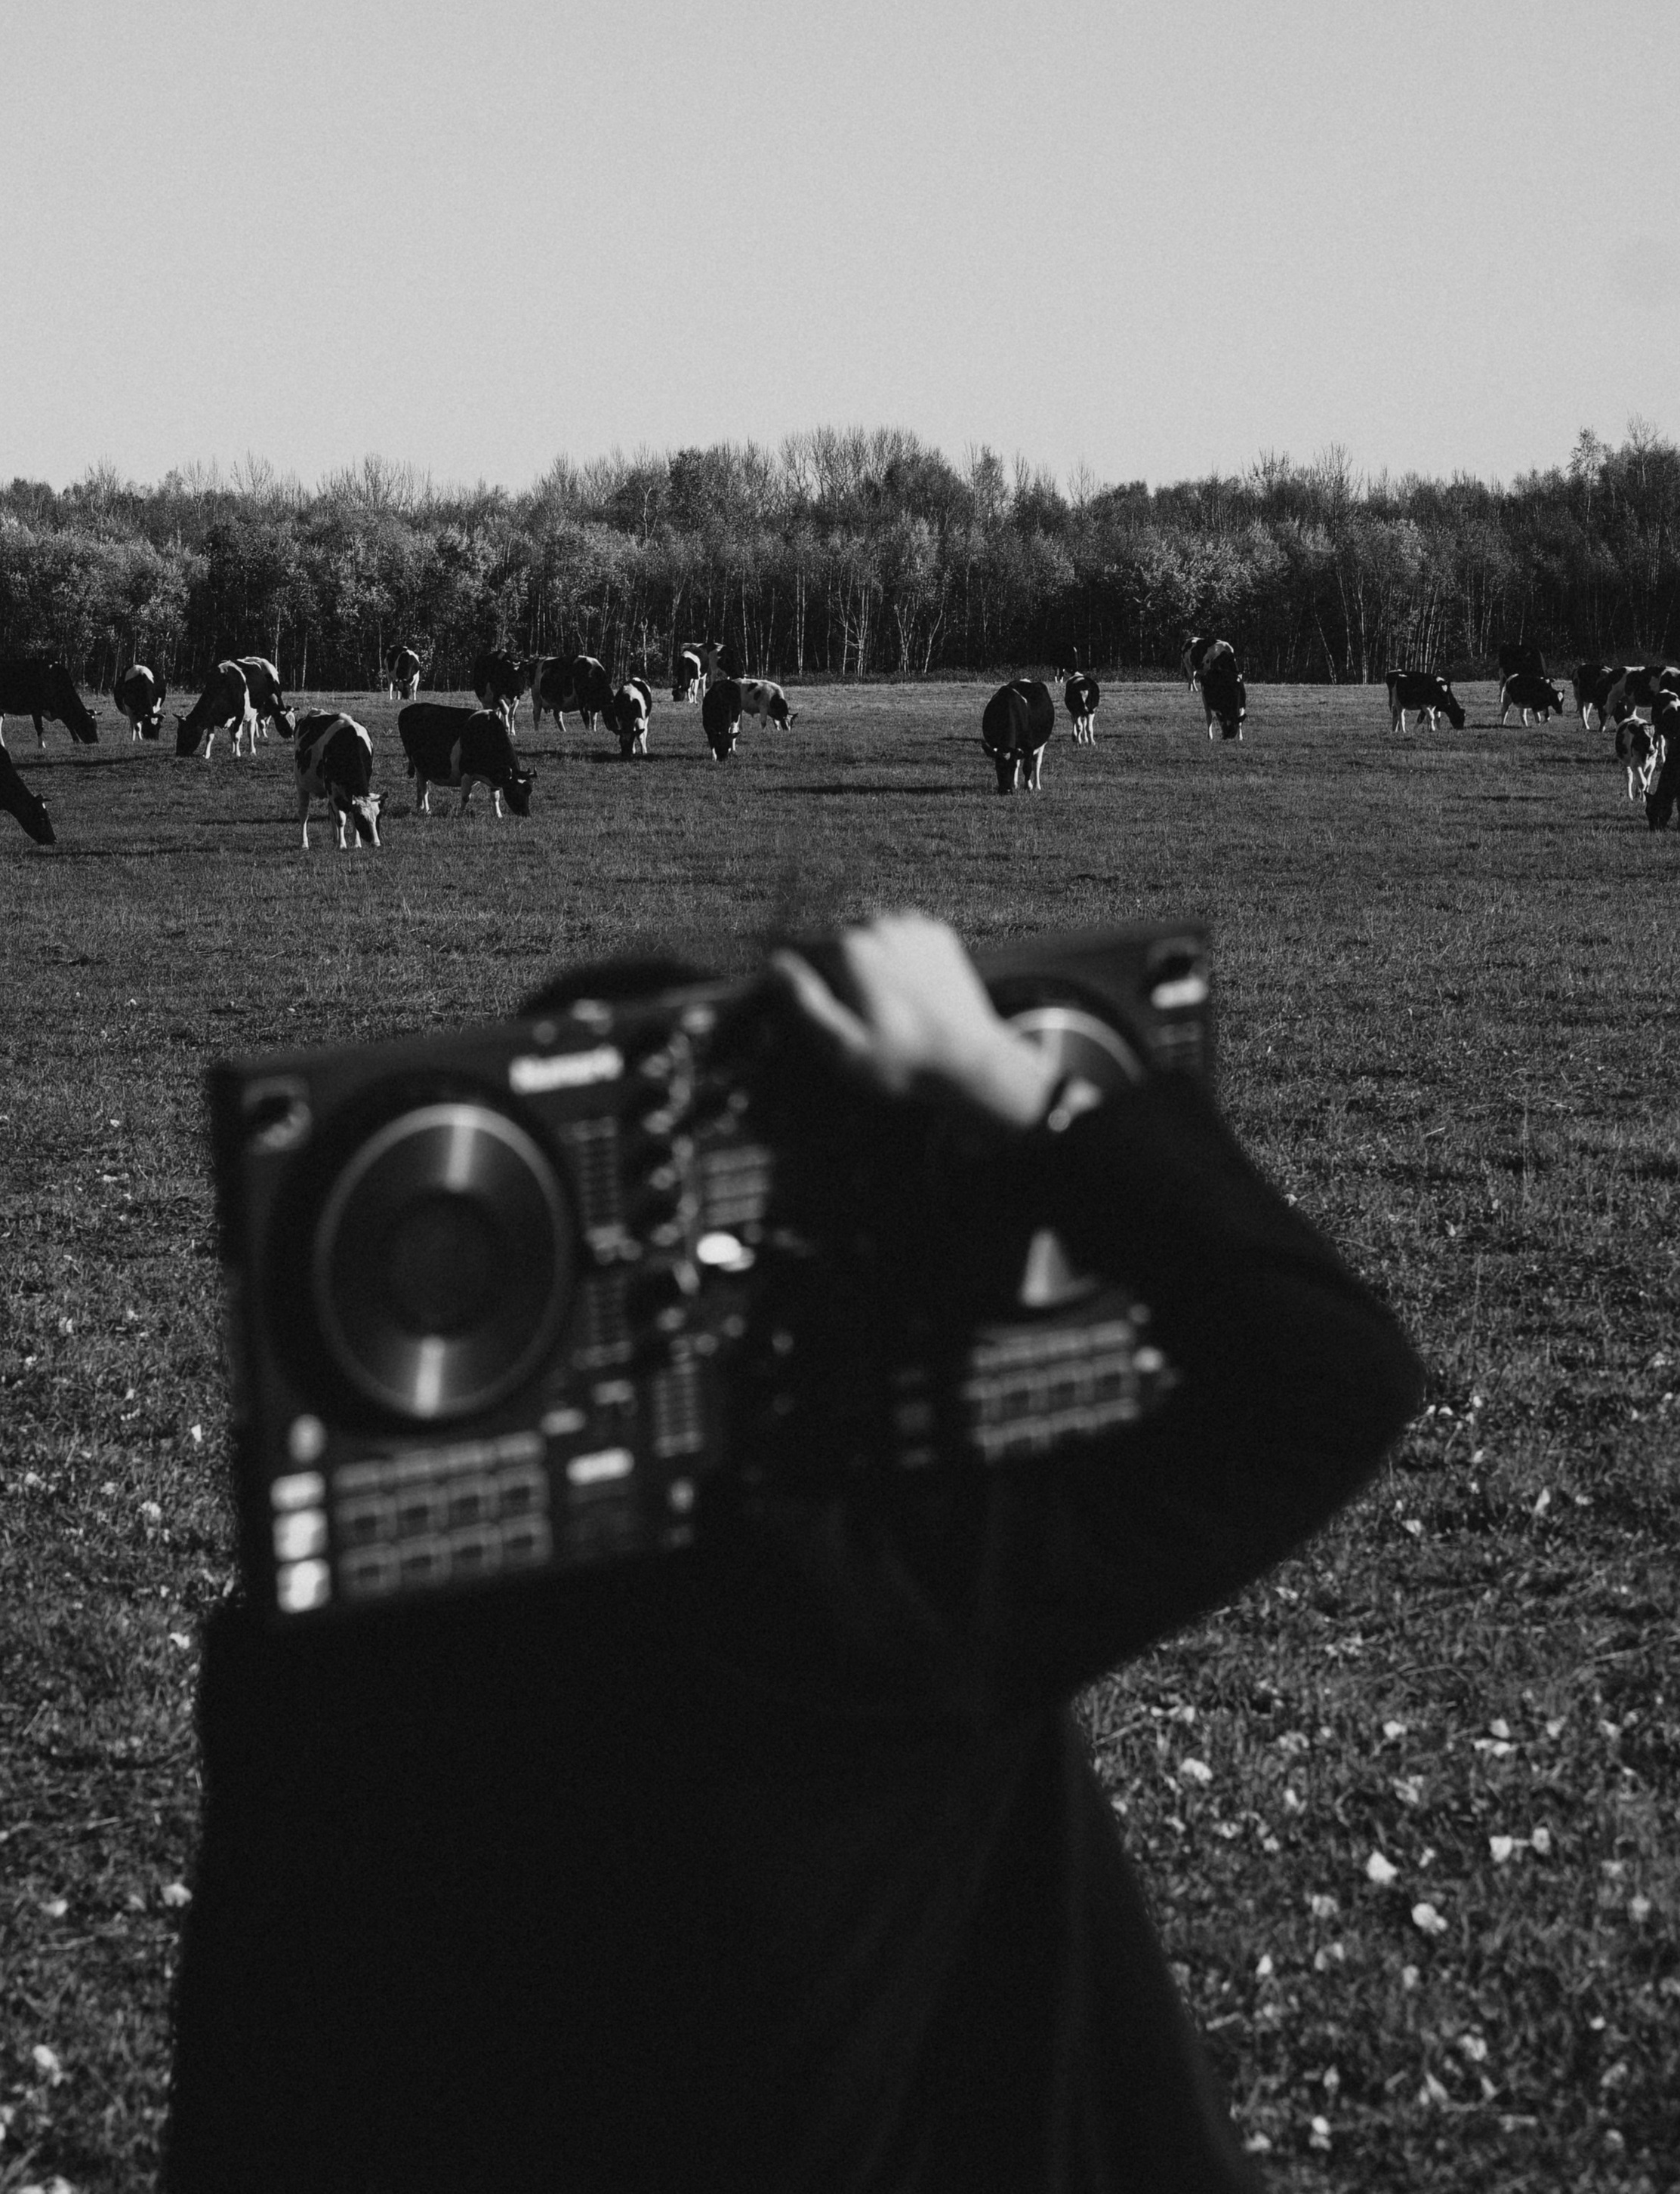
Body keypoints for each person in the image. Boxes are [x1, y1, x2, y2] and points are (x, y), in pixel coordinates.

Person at [166, 914, 1422, 2192]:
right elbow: (1323, 1380)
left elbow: (250, 2087)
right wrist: (1003, 1077)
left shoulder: (307, 1667)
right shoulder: (868, 1605)